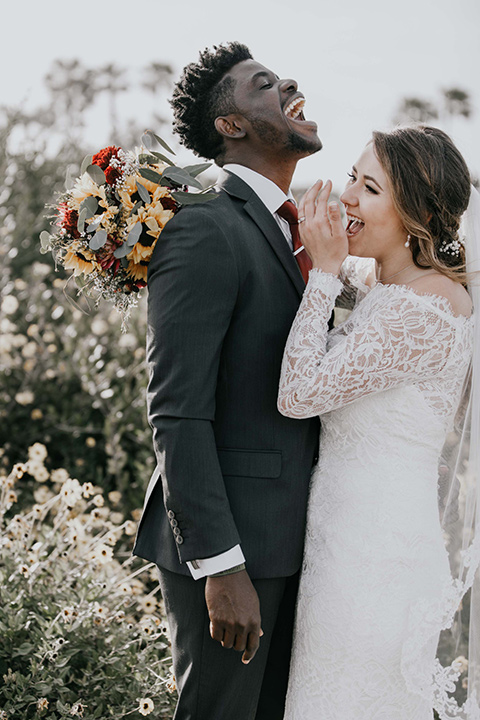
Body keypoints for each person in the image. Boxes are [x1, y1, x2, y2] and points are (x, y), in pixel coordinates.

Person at [133, 42, 323, 719]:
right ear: (231, 125)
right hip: (232, 550)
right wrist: (220, 565)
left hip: (302, 540)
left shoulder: (304, 235)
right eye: (264, 84)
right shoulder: (207, 229)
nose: (289, 85)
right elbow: (177, 411)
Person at [277, 125, 480, 719]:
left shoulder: (431, 307)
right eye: (351, 178)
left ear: (416, 216)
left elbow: (299, 393)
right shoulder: (378, 286)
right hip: (334, 543)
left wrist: (320, 273)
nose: (346, 199)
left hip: (376, 559)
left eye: (369, 189)